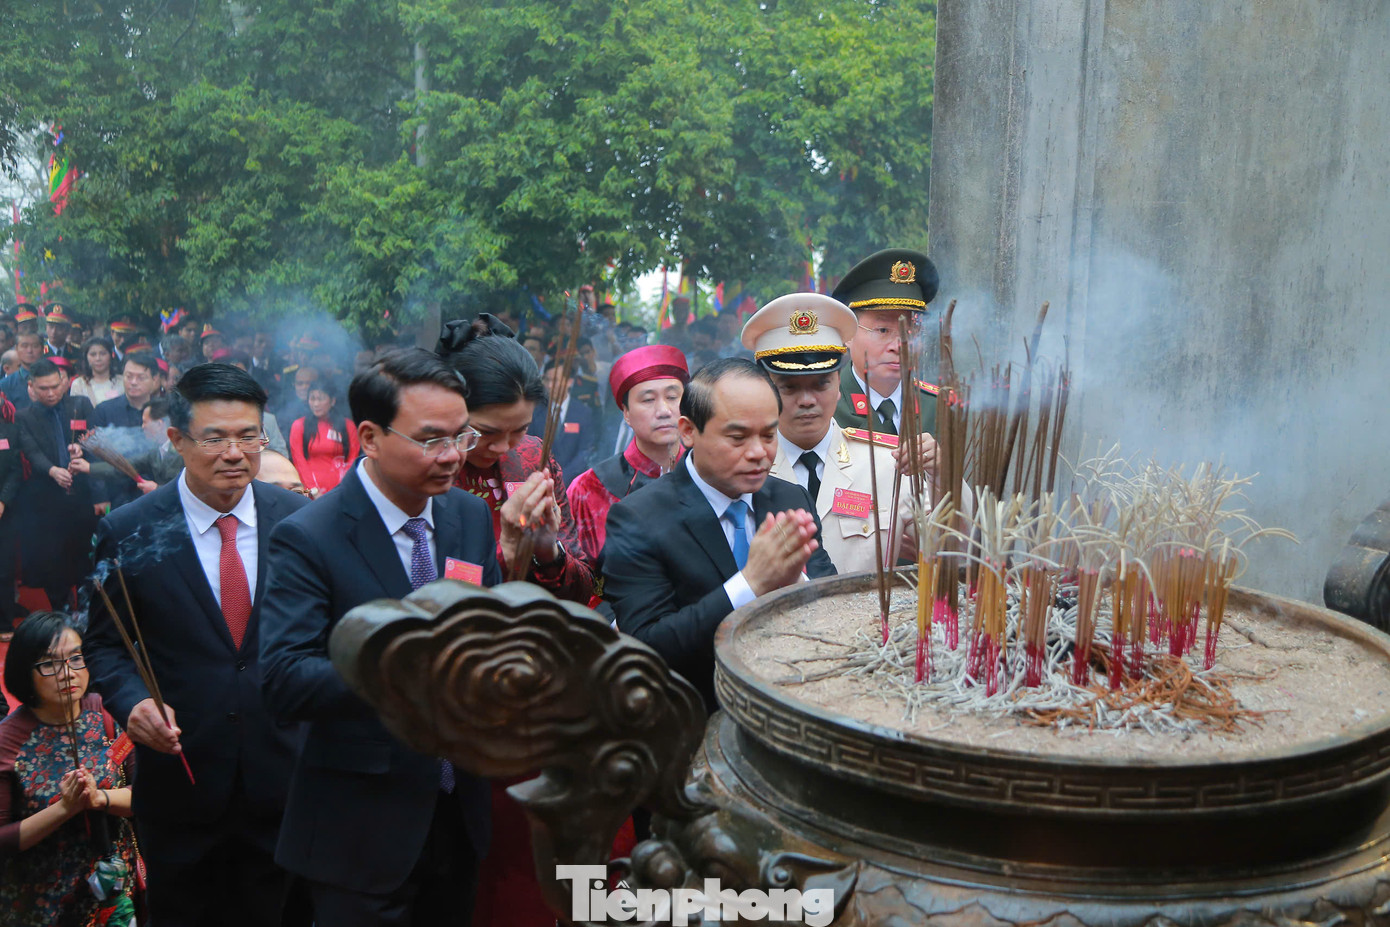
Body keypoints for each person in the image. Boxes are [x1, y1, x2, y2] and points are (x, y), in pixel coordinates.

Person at [260, 348, 497, 926]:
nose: (452, 456)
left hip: (456, 812)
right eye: (430, 440)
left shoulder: (468, 517)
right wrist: (408, 666)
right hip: (360, 831)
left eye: (461, 437)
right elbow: (286, 678)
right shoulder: (309, 536)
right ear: (369, 437)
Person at [84, 362, 309, 925]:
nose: (234, 453)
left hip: (284, 781)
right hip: (180, 784)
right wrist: (133, 702)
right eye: (214, 438)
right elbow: (104, 645)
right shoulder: (130, 529)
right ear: (177, 439)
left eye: (248, 436)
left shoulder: (300, 521)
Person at [602, 357, 837, 712]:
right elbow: (647, 645)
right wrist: (750, 584)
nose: (758, 453)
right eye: (737, 437)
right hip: (694, 714)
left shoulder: (790, 499)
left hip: (794, 704)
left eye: (769, 435)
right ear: (688, 431)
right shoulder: (638, 518)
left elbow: (831, 607)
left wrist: (798, 583)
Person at [743, 293, 921, 573]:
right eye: (789, 387)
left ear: (839, 384)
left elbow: (960, 551)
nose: (807, 400)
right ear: (765, 390)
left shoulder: (888, 463)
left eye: (820, 384)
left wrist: (940, 476)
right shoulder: (744, 470)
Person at [441, 315, 598, 603]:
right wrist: (508, 551)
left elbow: (584, 589)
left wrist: (548, 551)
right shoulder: (433, 468)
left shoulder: (533, 459)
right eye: (487, 432)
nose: (503, 447)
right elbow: (426, 587)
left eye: (519, 430)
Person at [0, 613, 139, 926]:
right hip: (41, 904)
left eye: (76, 658)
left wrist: (100, 798)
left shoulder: (108, 713)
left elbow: (144, 795)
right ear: (24, 670)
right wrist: (65, 808)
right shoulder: (8, 740)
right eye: (49, 664)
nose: (68, 673)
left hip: (116, 893)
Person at [566, 344, 689, 563]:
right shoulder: (589, 489)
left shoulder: (709, 476)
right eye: (648, 400)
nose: (664, 411)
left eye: (672, 397)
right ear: (626, 413)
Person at [830, 250, 943, 478]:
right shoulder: (828, 405)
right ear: (848, 334)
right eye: (882, 330)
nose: (898, 345)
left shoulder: (938, 407)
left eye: (909, 332)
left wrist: (941, 473)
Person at [16, 359, 97, 610]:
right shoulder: (24, 416)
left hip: (81, 497)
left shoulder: (80, 405)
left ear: (63, 382)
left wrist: (81, 448)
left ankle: (87, 609)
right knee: (53, 561)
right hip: (46, 501)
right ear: (31, 387)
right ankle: (61, 610)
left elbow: (95, 437)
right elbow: (31, 451)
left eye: (55, 386)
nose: (51, 393)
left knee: (84, 556)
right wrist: (52, 470)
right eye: (44, 389)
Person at [528, 365, 596, 489]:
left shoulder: (583, 412)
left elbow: (585, 450)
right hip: (540, 481)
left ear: (569, 381)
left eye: (554, 380)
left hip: (572, 483)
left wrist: (563, 476)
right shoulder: (535, 411)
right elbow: (529, 447)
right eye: (547, 380)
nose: (549, 385)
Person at [288, 376, 358, 496]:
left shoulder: (348, 426)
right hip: (312, 492)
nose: (316, 404)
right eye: (312, 399)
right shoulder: (299, 425)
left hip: (342, 491)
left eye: (321, 399)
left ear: (332, 401)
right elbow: (299, 461)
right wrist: (313, 490)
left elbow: (352, 459)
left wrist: (342, 489)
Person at [92, 351, 158, 429]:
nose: (133, 382)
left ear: (154, 380)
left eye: (141, 378)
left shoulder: (164, 411)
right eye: (129, 376)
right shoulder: (104, 411)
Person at [68, 337, 121, 406]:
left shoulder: (122, 382)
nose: (98, 358)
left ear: (110, 355)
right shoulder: (79, 384)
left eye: (103, 354)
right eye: (93, 354)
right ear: (86, 357)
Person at [0, 332, 43, 412]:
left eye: (35, 346)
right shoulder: (5, 385)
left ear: (42, 349)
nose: (29, 350)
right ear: (16, 349)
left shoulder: (53, 378)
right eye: (24, 346)